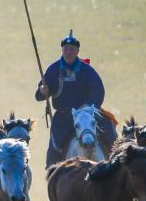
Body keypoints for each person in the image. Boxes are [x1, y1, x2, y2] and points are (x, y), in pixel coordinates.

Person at [36, 30, 118, 168]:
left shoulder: (87, 70)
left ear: (77, 51)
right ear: (62, 50)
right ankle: (52, 171)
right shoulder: (53, 69)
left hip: (86, 113)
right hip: (64, 115)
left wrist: (86, 107)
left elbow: (98, 91)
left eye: (72, 49)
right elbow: (39, 95)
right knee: (56, 144)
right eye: (66, 49)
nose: (68, 52)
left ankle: (117, 162)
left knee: (109, 130)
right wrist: (42, 91)